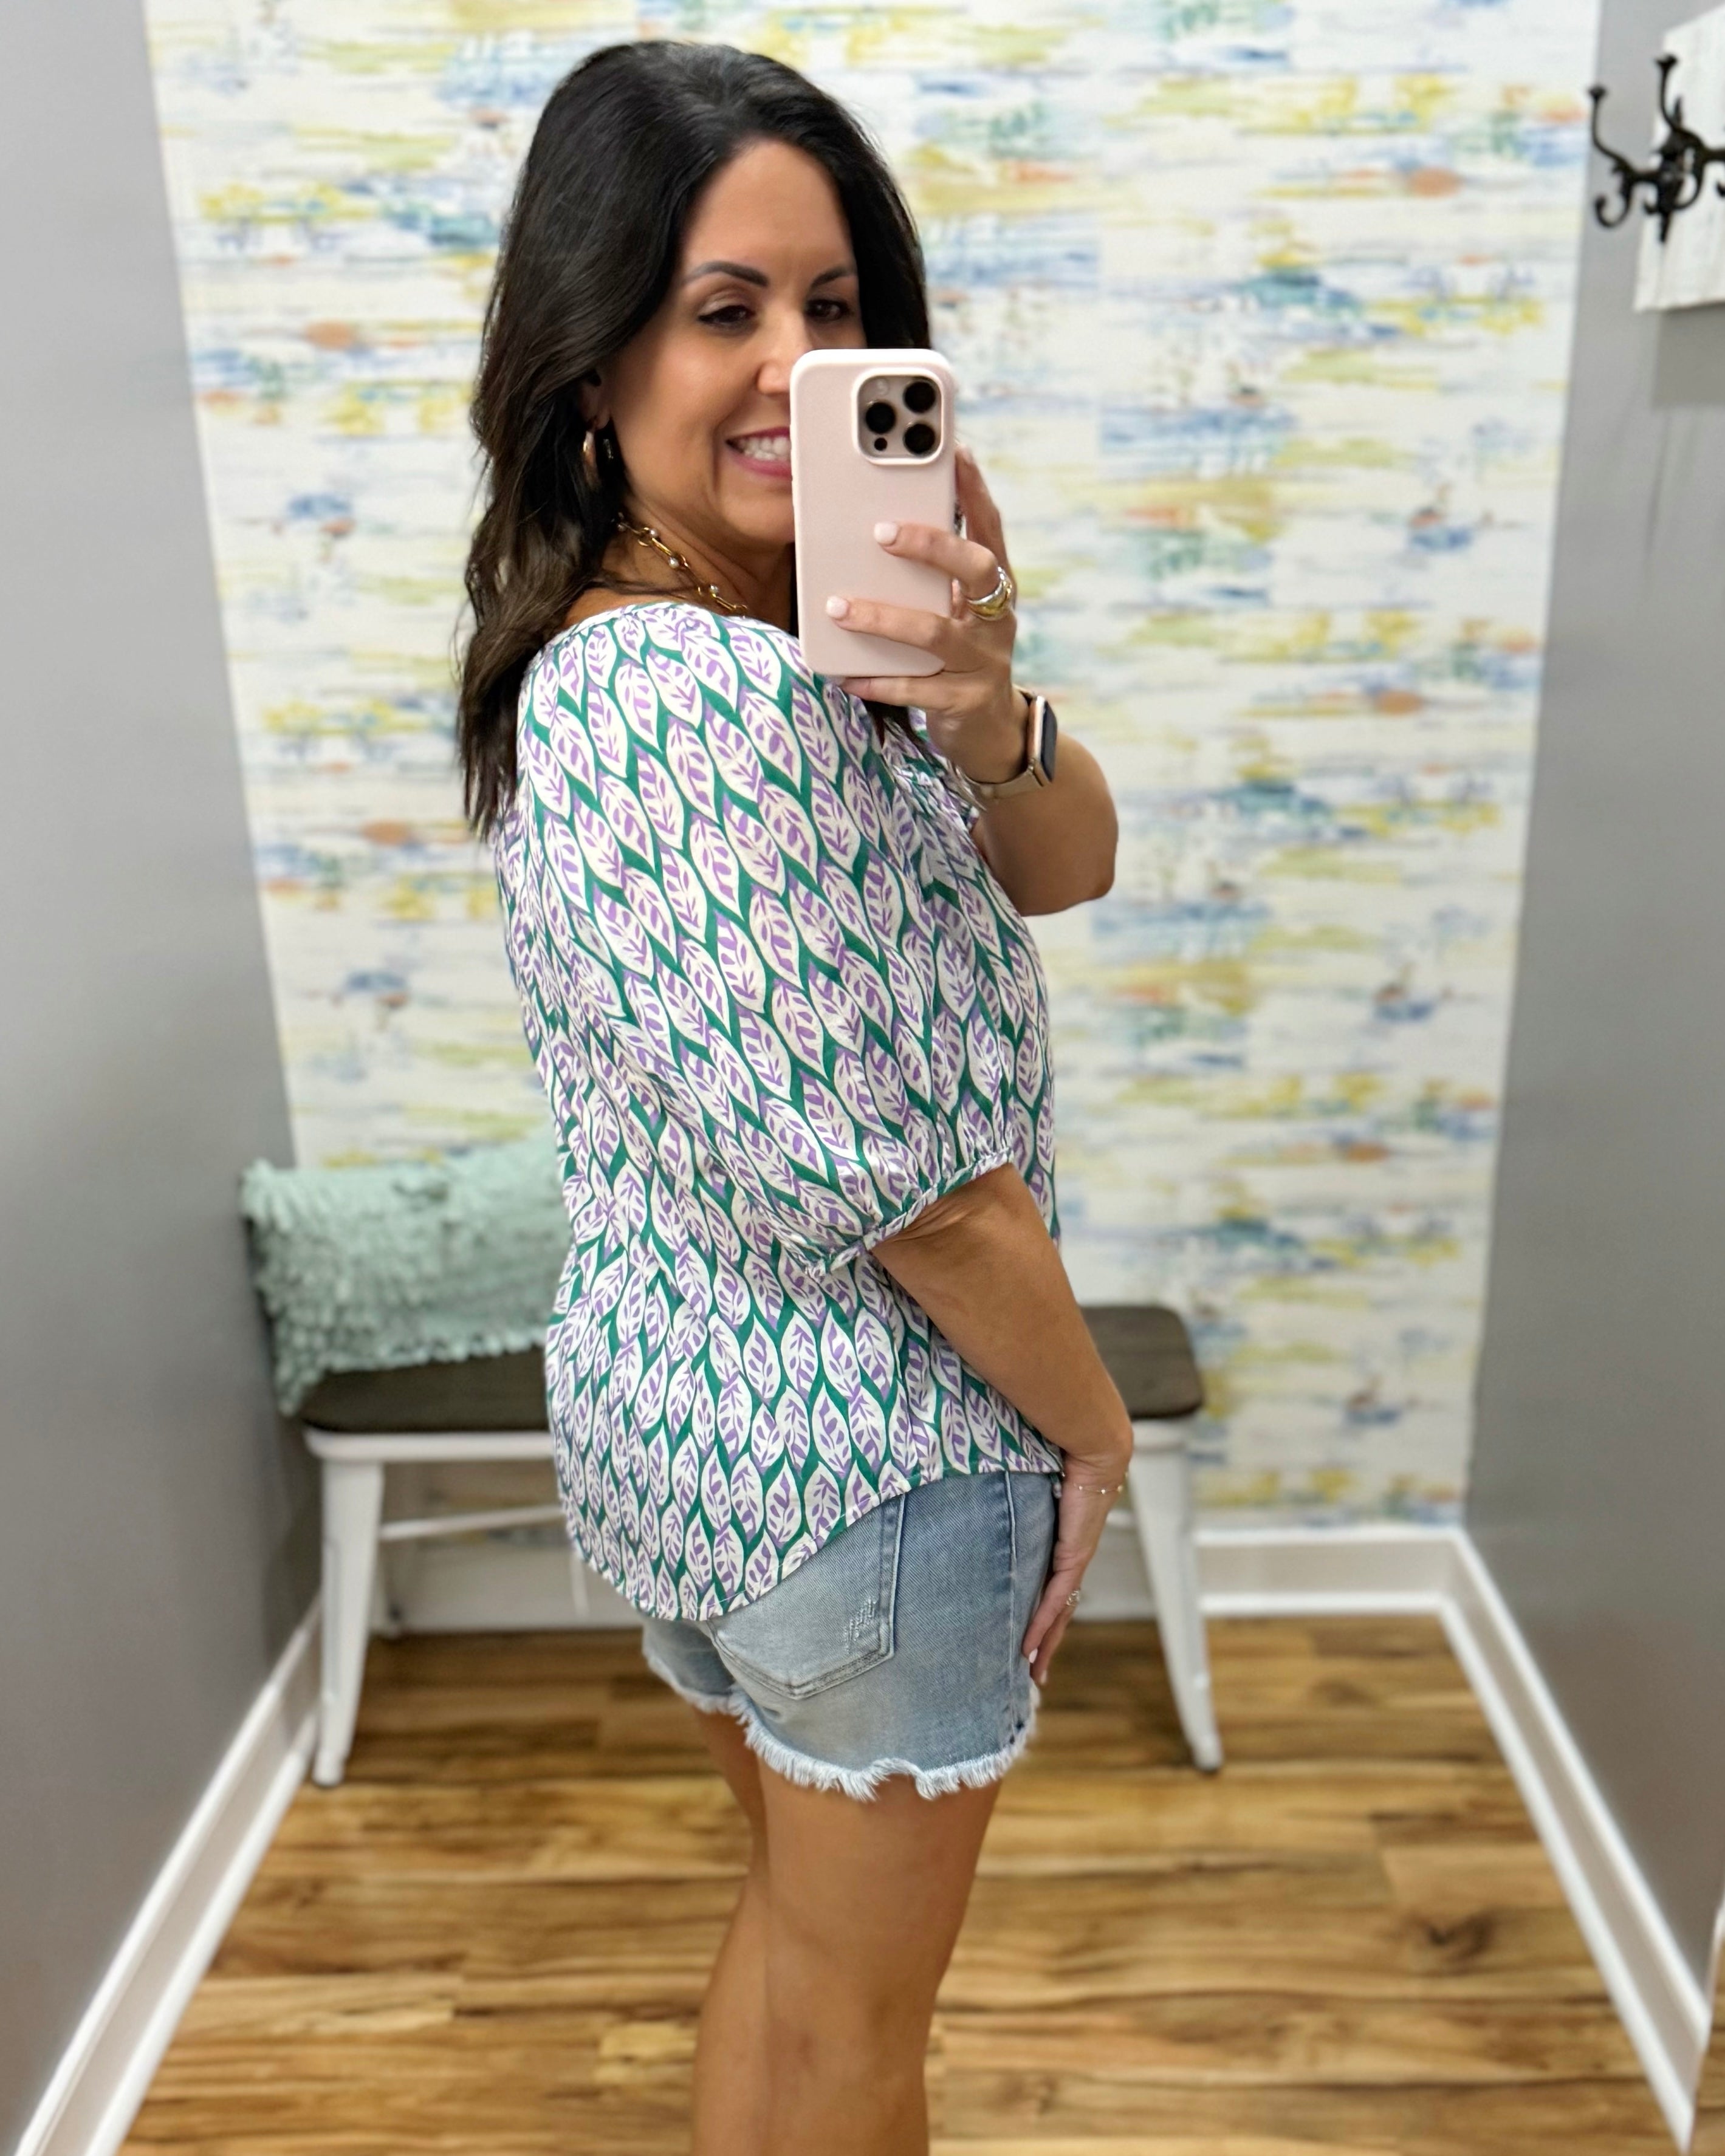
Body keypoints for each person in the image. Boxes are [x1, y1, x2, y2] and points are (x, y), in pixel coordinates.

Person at [458, 41, 1133, 2156]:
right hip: (879, 1463)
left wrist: (981, 695)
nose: (792, 365)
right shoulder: (721, 704)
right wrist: (1095, 1420)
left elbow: (1068, 859)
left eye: (837, 310)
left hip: (714, 1439)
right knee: (863, 2041)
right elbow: (925, 1199)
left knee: (794, 1939)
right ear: (593, 360)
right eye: (721, 307)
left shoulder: (658, 654)